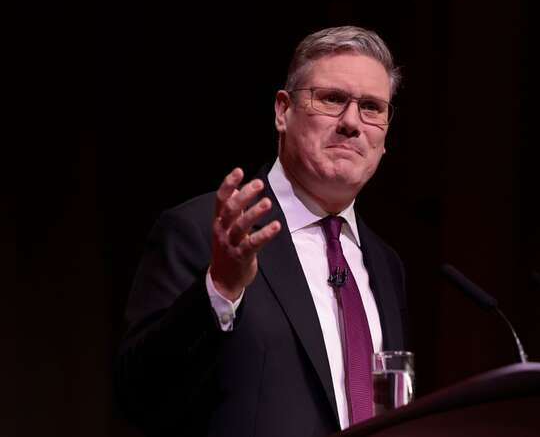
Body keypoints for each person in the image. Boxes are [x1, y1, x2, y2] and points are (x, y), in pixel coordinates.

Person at [115, 26, 408, 437]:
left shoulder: (385, 264)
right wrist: (220, 289)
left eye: (372, 108)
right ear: (282, 111)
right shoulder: (203, 232)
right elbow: (138, 395)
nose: (351, 123)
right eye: (332, 99)